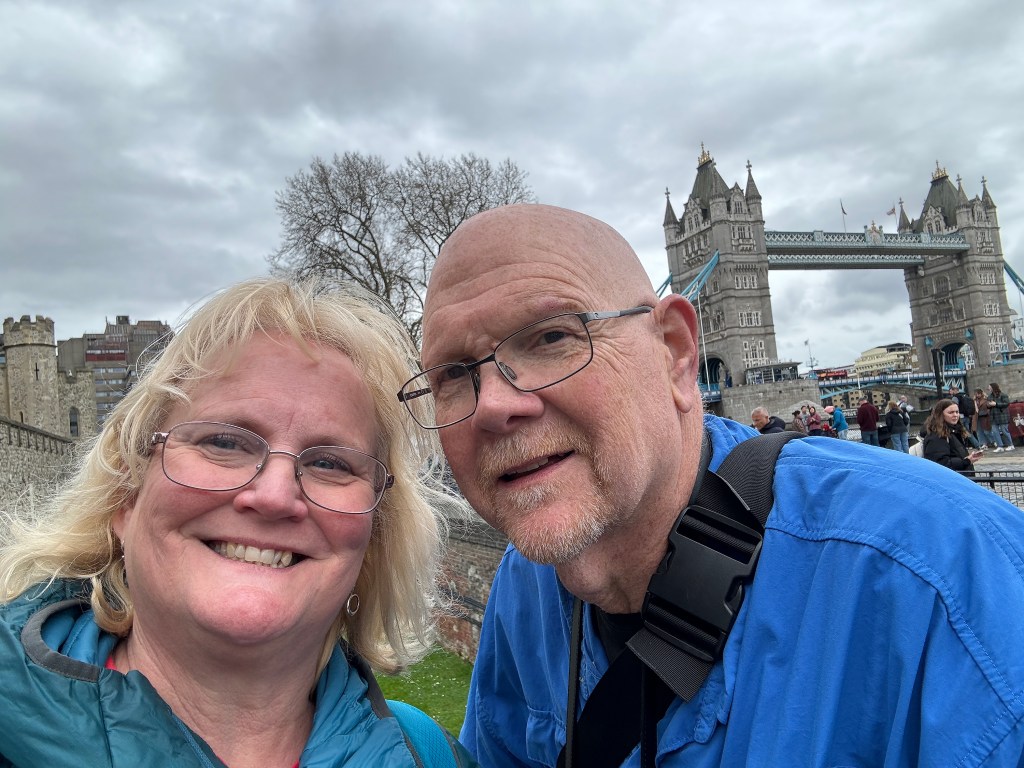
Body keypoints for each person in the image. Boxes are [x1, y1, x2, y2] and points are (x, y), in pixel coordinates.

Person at [406, 204, 1024, 767]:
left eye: (551, 336)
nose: (493, 405)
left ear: (675, 352)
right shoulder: (525, 584)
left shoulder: (950, 579)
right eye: (453, 375)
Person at [0, 278, 475, 768]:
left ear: (374, 532)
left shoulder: (431, 757)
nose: (274, 496)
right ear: (127, 493)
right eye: (224, 442)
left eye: (330, 463)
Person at [923, 398, 983, 473]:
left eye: (957, 412)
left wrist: (968, 459)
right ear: (941, 414)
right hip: (950, 477)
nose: (955, 415)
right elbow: (941, 464)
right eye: (951, 412)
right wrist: (966, 461)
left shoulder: (955, 431)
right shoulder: (936, 436)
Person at [948, 384, 982, 449]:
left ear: (954, 390)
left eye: (950, 390)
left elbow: (954, 407)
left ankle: (964, 446)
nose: (950, 392)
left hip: (960, 417)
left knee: (959, 431)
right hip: (966, 416)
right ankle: (976, 445)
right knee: (967, 432)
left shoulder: (955, 397)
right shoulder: (964, 396)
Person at [988, 382, 1015, 452]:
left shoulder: (1003, 395)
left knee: (1004, 431)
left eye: (989, 387)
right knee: (995, 431)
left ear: (993, 387)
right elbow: (987, 405)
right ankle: (1000, 446)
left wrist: (996, 404)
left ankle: (1011, 445)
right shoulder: (990, 396)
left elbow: (1006, 403)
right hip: (993, 416)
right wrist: (989, 405)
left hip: (1002, 415)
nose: (988, 388)